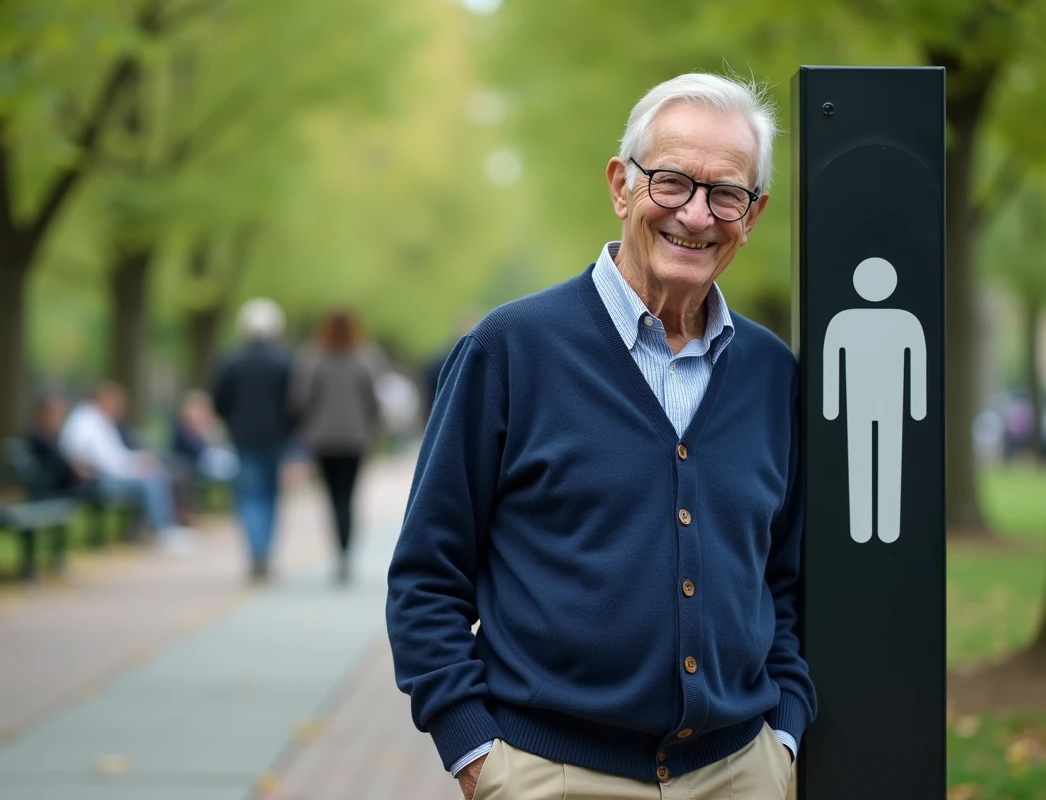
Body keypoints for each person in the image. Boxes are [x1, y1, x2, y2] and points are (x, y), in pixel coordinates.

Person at [386, 73, 816, 800]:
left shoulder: (773, 374)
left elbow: (785, 579)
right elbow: (427, 573)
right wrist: (474, 753)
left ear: (753, 214)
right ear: (622, 186)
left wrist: (784, 734)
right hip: (551, 775)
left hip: (741, 773)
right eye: (671, 182)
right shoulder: (510, 350)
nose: (696, 215)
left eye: (726, 194)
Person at [293, 308, 381, 585]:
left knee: (332, 497)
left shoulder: (314, 357)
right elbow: (373, 399)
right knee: (348, 496)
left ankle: (338, 550)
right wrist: (372, 427)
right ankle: (346, 552)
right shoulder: (364, 357)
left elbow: (300, 399)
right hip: (355, 438)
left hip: (323, 439)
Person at [211, 298, 294, 581]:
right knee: (271, 493)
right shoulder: (284, 361)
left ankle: (256, 548)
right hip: (276, 436)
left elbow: (219, 399)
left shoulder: (231, 361)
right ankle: (265, 549)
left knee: (248, 494)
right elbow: (295, 403)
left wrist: (232, 421)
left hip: (243, 436)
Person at [59, 382, 196, 555]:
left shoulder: (95, 419)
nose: (118, 407)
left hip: (104, 474)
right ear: (102, 399)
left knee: (156, 473)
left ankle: (160, 527)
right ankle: (163, 531)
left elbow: (112, 456)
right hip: (97, 480)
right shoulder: (90, 421)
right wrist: (135, 465)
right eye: (115, 401)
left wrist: (136, 461)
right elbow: (107, 462)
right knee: (152, 479)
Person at [23, 392, 89, 493]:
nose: (58, 418)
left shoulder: (55, 440)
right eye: (54, 413)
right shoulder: (36, 442)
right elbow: (55, 475)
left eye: (62, 413)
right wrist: (75, 469)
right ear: (40, 413)